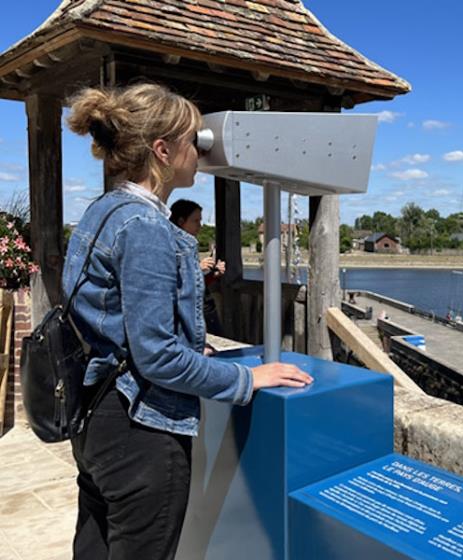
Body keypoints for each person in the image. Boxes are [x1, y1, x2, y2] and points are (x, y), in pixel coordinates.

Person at [63, 83, 313, 560]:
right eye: (194, 140)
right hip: (142, 434)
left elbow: (116, 325)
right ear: (162, 151)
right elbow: (156, 356)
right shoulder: (146, 228)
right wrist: (246, 378)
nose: (202, 150)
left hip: (95, 418)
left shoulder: (102, 212)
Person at [169, 199, 224, 335]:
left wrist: (212, 275)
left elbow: (193, 281)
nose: (200, 226)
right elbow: (171, 280)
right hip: (189, 311)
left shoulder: (189, 244)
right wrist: (198, 268)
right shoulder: (169, 245)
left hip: (202, 307)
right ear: (181, 222)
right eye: (196, 221)